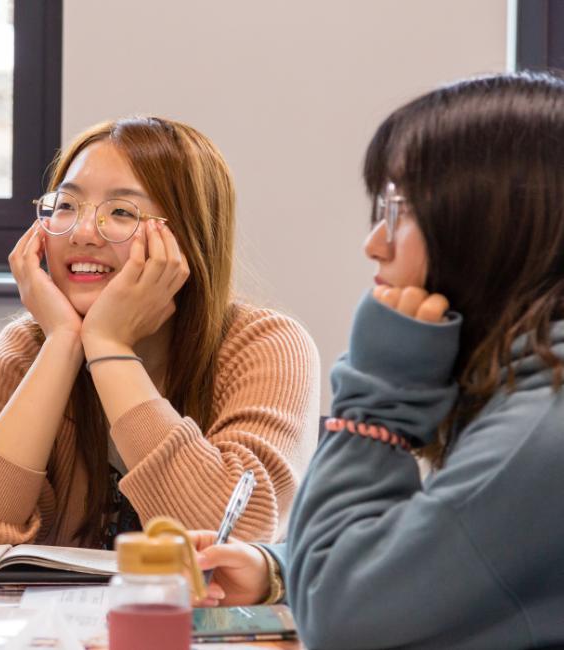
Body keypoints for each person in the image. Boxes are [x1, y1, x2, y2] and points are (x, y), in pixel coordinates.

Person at [191, 72, 564, 649]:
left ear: (491, 224)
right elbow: (463, 553)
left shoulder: (540, 427)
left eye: (401, 208)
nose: (375, 243)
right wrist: (282, 570)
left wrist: (378, 397)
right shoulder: (533, 388)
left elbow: (341, 623)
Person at [0, 116, 320, 549]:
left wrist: (109, 349)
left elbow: (230, 535)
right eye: (67, 206)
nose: (83, 232)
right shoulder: (28, 347)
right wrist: (62, 345)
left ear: (187, 235)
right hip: (55, 618)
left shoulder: (267, 345)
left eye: (122, 212)